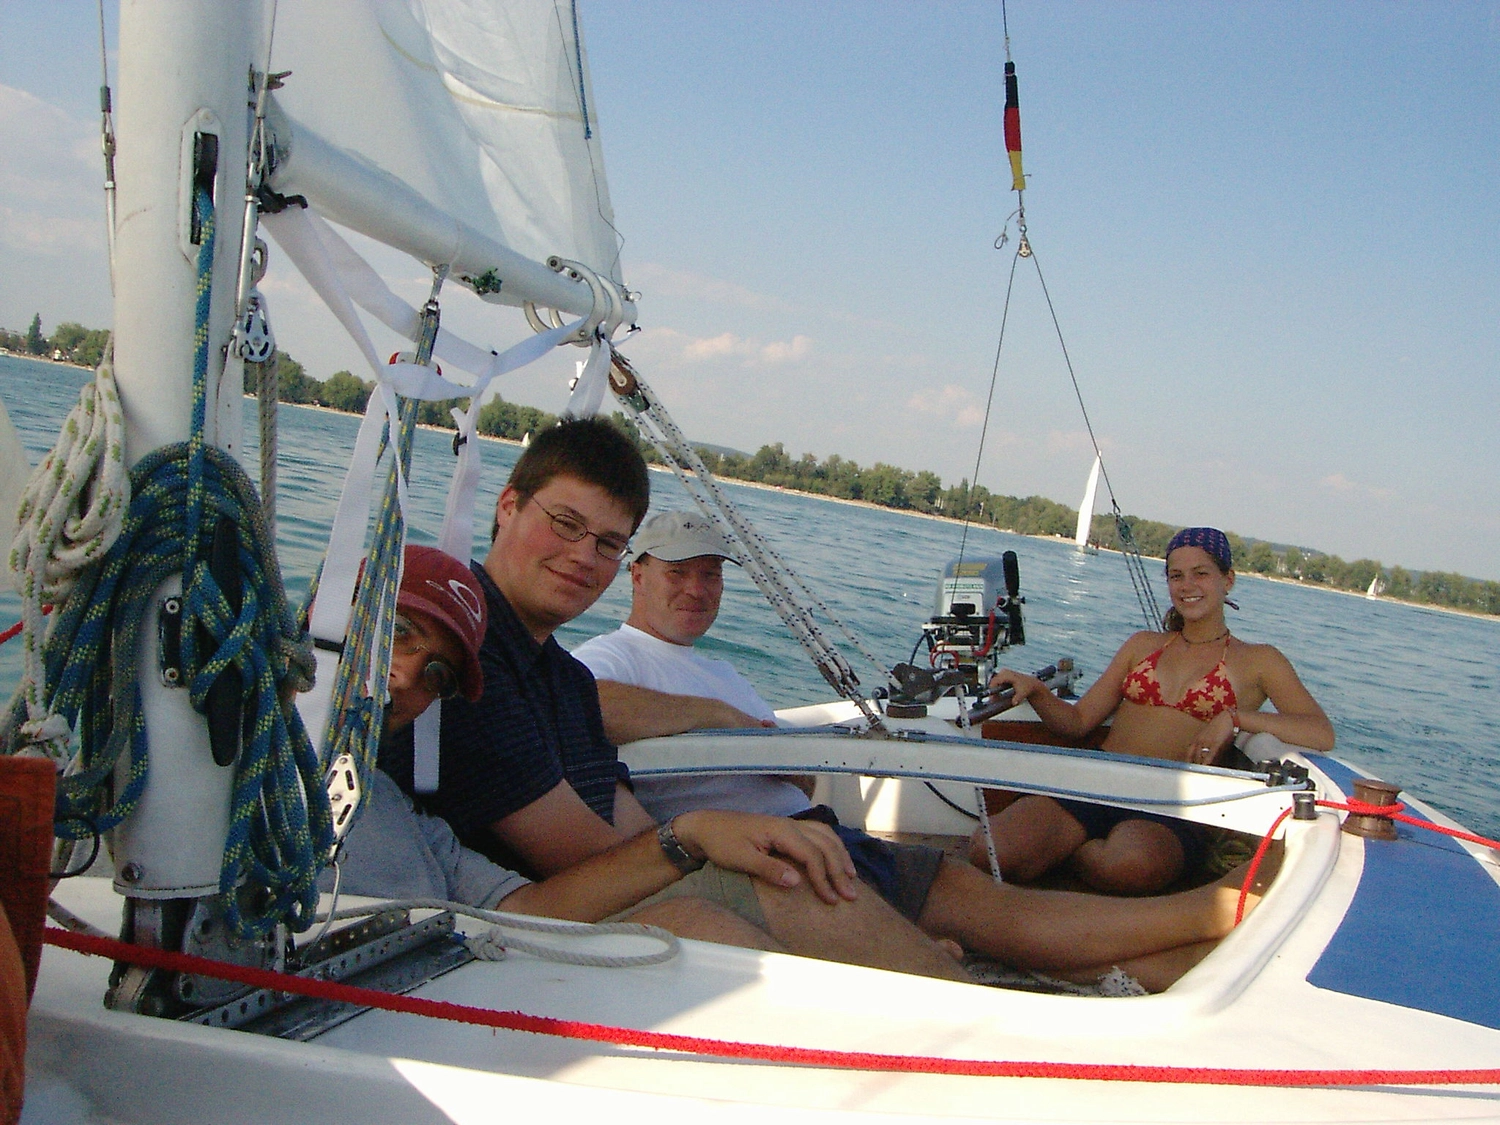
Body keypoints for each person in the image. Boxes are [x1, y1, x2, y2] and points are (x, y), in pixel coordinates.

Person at [567, 508, 1262, 990]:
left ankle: (1196, 937)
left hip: (829, 836)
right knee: (989, 930)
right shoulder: (610, 658)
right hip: (773, 857)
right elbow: (586, 707)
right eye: (678, 572)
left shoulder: (723, 668)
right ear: (636, 571)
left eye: (711, 573)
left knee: (995, 910)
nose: (697, 587)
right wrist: (723, 720)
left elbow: (794, 772)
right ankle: (1214, 915)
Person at [335, 543, 972, 982]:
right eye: (397, 634)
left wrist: (689, 832)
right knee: (763, 893)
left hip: (454, 962)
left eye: (436, 674)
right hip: (379, 999)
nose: (402, 676)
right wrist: (711, 752)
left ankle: (918, 1001)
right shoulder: (256, 766)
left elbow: (525, 909)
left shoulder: (398, 808)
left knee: (740, 902)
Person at [979, 526, 1335, 896]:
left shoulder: (1261, 660)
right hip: (1097, 781)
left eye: (1201, 573)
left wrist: (1233, 718)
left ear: (1227, 580)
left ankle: (1064, 855)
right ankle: (1071, 855)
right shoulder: (1142, 645)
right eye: (1176, 576)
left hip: (1175, 803)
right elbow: (1078, 722)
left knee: (1128, 867)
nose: (1187, 585)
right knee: (990, 850)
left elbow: (1320, 733)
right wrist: (1035, 690)